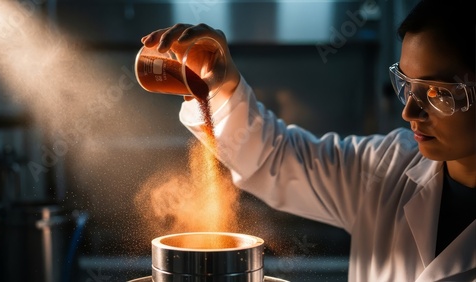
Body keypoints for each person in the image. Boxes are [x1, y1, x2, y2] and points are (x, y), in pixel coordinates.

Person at [141, 0, 476, 281]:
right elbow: (276, 158)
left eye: (437, 93)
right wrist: (223, 87)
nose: (410, 112)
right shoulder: (386, 168)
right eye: (407, 86)